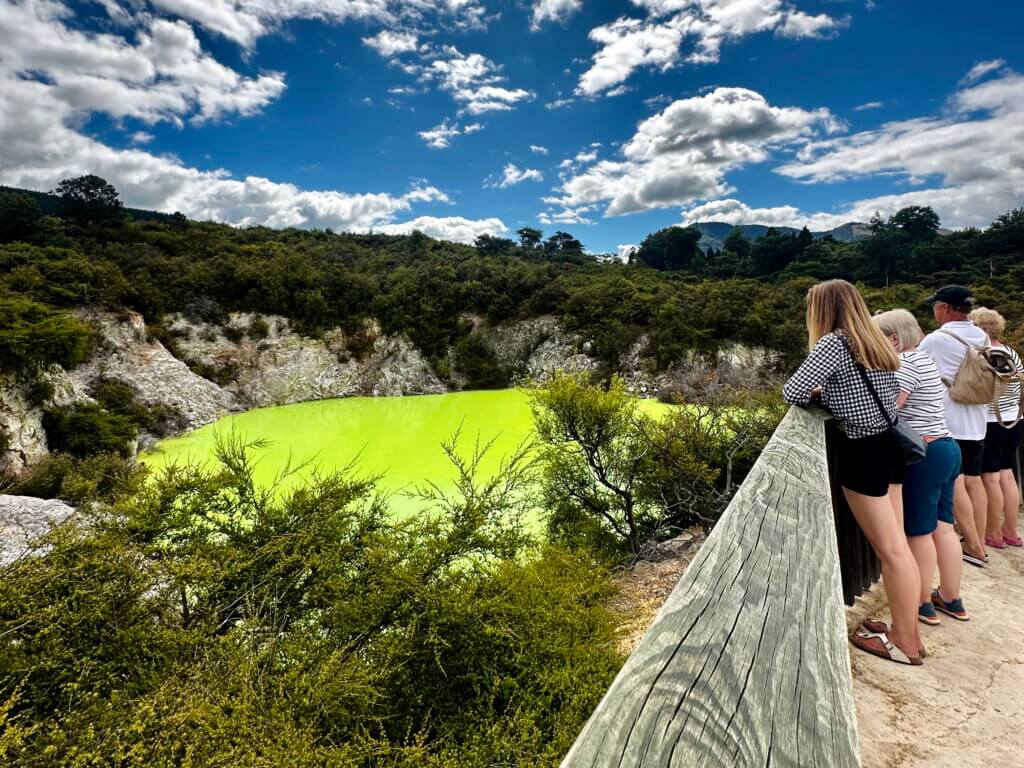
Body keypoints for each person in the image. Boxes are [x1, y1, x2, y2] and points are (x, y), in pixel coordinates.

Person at [784, 280, 922, 666]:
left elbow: (792, 391)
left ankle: (905, 645)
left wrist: (818, 394)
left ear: (822, 310)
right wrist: (830, 393)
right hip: (890, 445)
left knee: (891, 551)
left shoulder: (833, 343)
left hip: (864, 452)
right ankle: (905, 629)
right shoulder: (873, 340)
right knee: (898, 545)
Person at [874, 310, 968, 626]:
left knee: (918, 532)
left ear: (894, 338)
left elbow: (887, 409)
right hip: (946, 447)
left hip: (924, 454)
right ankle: (952, 598)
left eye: (877, 336)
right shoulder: (925, 359)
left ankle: (921, 602)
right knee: (943, 526)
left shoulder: (904, 365)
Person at [918, 286, 989, 567]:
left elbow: (910, 367)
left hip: (949, 423)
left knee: (955, 484)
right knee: (974, 481)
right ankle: (978, 540)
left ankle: (972, 544)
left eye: (936, 306)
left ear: (945, 308)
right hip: (977, 422)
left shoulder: (937, 340)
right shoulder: (980, 334)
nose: (934, 310)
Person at [969, 307, 1024, 549]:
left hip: (990, 421)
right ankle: (1010, 531)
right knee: (1007, 475)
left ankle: (992, 534)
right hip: (1014, 420)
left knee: (990, 479)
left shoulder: (984, 355)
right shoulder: (1011, 352)